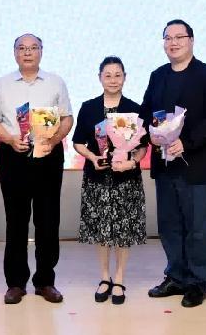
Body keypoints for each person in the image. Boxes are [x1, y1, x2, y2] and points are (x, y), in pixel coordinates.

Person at [141, 19, 206, 307]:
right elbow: (146, 112)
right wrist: (151, 135)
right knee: (170, 226)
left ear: (191, 40)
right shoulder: (158, 76)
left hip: (197, 166)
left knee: (198, 229)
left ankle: (197, 283)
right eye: (168, 38)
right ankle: (175, 277)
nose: (173, 42)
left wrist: (187, 142)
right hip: (165, 165)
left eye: (179, 37)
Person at [0, 33, 74, 305]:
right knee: (16, 220)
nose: (27, 52)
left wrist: (53, 140)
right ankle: (15, 283)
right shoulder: (2, 84)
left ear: (41, 52)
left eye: (33, 48)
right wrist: (10, 139)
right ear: (14, 53)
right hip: (13, 155)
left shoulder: (56, 82)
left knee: (48, 220)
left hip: (48, 155)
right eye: (22, 48)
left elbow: (67, 118)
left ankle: (45, 281)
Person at [73, 56, 147, 305]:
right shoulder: (89, 107)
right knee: (102, 229)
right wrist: (92, 157)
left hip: (126, 178)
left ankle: (120, 277)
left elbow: (143, 146)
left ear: (125, 78)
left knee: (123, 230)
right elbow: (78, 142)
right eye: (108, 75)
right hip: (97, 176)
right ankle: (104, 277)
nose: (113, 80)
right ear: (100, 78)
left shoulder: (135, 108)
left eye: (118, 75)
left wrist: (132, 162)